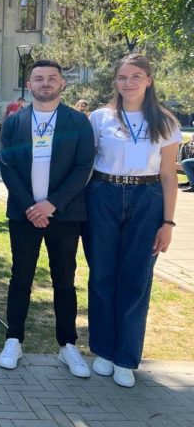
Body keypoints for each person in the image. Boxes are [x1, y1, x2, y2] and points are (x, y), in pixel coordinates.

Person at [85, 54, 181, 388]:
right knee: (102, 275)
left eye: (136, 76)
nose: (129, 83)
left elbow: (168, 175)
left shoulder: (165, 121)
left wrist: (168, 223)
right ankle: (103, 350)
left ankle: (125, 357)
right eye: (122, 77)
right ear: (115, 82)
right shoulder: (100, 118)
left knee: (136, 278)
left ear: (149, 80)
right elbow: (86, 163)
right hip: (103, 195)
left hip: (146, 198)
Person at [0, 59, 94, 378]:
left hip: (64, 215)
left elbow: (83, 167)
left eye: (52, 78)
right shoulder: (14, 122)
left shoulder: (78, 122)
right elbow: (7, 165)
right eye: (39, 78)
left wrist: (52, 204)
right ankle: (13, 340)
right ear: (29, 85)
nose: (46, 83)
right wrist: (31, 206)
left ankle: (67, 345)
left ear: (62, 84)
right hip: (24, 215)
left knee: (64, 280)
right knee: (20, 277)